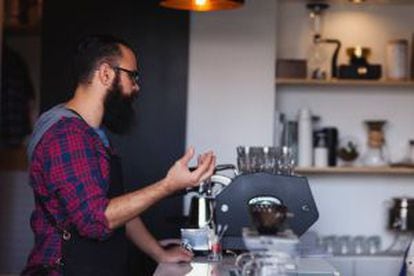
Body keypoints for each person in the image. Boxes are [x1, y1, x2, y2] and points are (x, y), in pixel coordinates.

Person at [22, 35, 216, 275]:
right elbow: (96, 220)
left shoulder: (92, 133)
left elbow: (118, 208)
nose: (137, 86)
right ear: (105, 74)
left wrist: (159, 253)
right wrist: (167, 186)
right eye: (132, 76)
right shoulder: (67, 135)